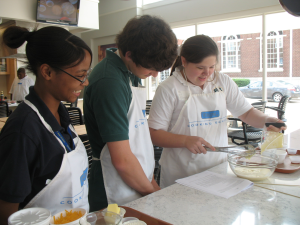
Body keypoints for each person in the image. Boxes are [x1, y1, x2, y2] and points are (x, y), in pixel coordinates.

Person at [148, 35, 286, 188]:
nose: (207, 73)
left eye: (212, 67)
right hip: (182, 173)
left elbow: (246, 113)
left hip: (218, 168)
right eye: (200, 68)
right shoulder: (169, 88)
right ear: (184, 61)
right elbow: (154, 134)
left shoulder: (222, 81)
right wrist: (185, 140)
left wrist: (267, 121)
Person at [83, 15, 178, 211]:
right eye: (151, 69)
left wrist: (154, 188)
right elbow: (122, 160)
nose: (154, 75)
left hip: (139, 181)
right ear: (129, 54)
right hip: (113, 188)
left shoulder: (130, 72)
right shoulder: (109, 81)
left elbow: (138, 140)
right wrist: (156, 198)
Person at [0, 25, 92, 223]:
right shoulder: (23, 132)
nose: (85, 83)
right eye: (80, 75)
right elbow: (6, 210)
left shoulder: (61, 113)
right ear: (47, 72)